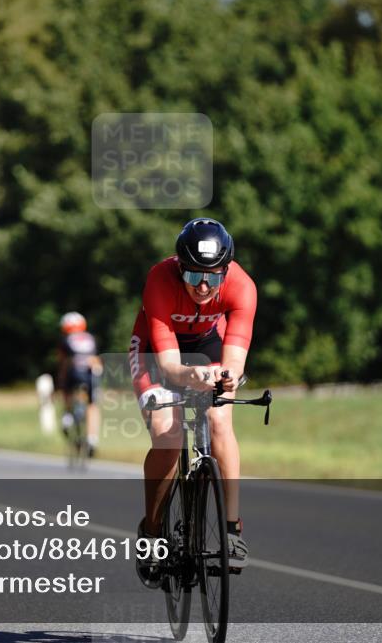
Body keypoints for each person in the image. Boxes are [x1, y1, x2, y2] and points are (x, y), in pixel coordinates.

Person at [128, 218, 257, 586]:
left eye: (213, 278)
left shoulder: (242, 286)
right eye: (194, 276)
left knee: (220, 421)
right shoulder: (160, 278)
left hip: (206, 345)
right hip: (155, 350)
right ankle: (152, 533)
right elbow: (168, 365)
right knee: (168, 437)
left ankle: (232, 529)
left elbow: (234, 359)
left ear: (226, 271)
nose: (203, 286)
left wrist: (225, 376)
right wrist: (189, 376)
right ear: (179, 267)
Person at [57, 312, 102, 456]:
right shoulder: (91, 338)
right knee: (93, 405)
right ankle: (92, 438)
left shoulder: (66, 340)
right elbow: (96, 360)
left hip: (74, 372)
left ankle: (67, 416)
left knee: (66, 388)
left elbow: (64, 363)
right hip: (90, 373)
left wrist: (61, 381)